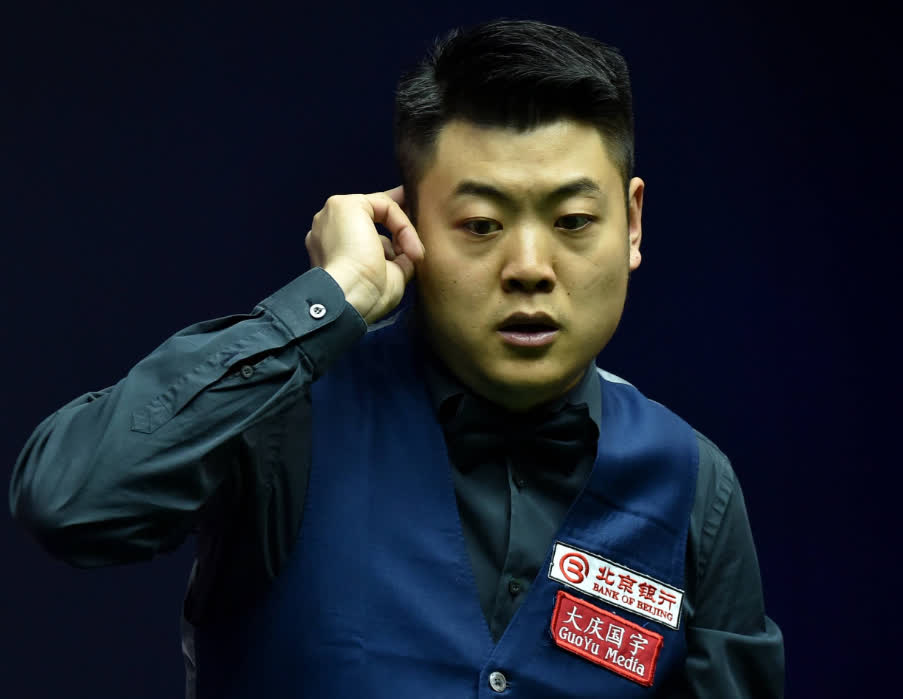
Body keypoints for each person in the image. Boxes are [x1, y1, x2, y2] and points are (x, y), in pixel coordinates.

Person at [9, 18, 784, 698]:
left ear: (632, 224)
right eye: (480, 224)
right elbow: (70, 503)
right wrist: (329, 299)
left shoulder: (693, 486)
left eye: (574, 220)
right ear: (406, 227)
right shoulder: (285, 416)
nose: (528, 266)